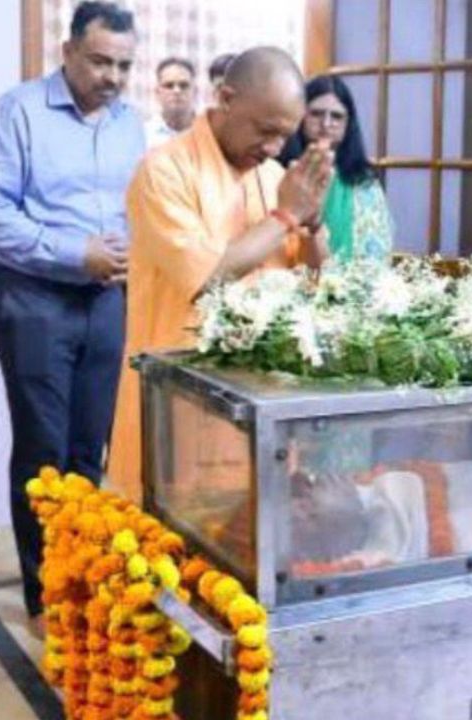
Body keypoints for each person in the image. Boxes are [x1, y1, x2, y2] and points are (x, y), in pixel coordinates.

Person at [0, 0, 144, 625]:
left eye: (123, 65)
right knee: (43, 452)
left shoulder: (132, 124)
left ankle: (82, 582)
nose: (112, 77)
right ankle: (46, 597)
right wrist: (77, 253)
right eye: (99, 61)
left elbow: (139, 207)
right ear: (67, 52)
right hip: (32, 297)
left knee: (88, 452)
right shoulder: (19, 112)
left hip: (105, 301)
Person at [107, 47, 334, 497]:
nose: (272, 148)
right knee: (165, 557)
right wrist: (287, 216)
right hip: (180, 400)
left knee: (250, 552)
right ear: (226, 98)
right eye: (265, 130)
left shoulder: (273, 177)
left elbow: (313, 286)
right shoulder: (164, 171)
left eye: (283, 137)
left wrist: (312, 225)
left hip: (259, 402)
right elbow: (207, 279)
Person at [278, 75, 393, 262]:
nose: (326, 124)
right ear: (300, 116)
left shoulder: (363, 182)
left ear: (349, 124)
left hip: (347, 287)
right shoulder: (278, 172)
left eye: (336, 116)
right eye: (316, 114)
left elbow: (375, 253)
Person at [144, 57, 197, 147]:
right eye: (169, 85)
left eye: (183, 85)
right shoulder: (143, 136)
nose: (177, 91)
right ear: (157, 93)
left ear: (195, 92)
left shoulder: (211, 135)